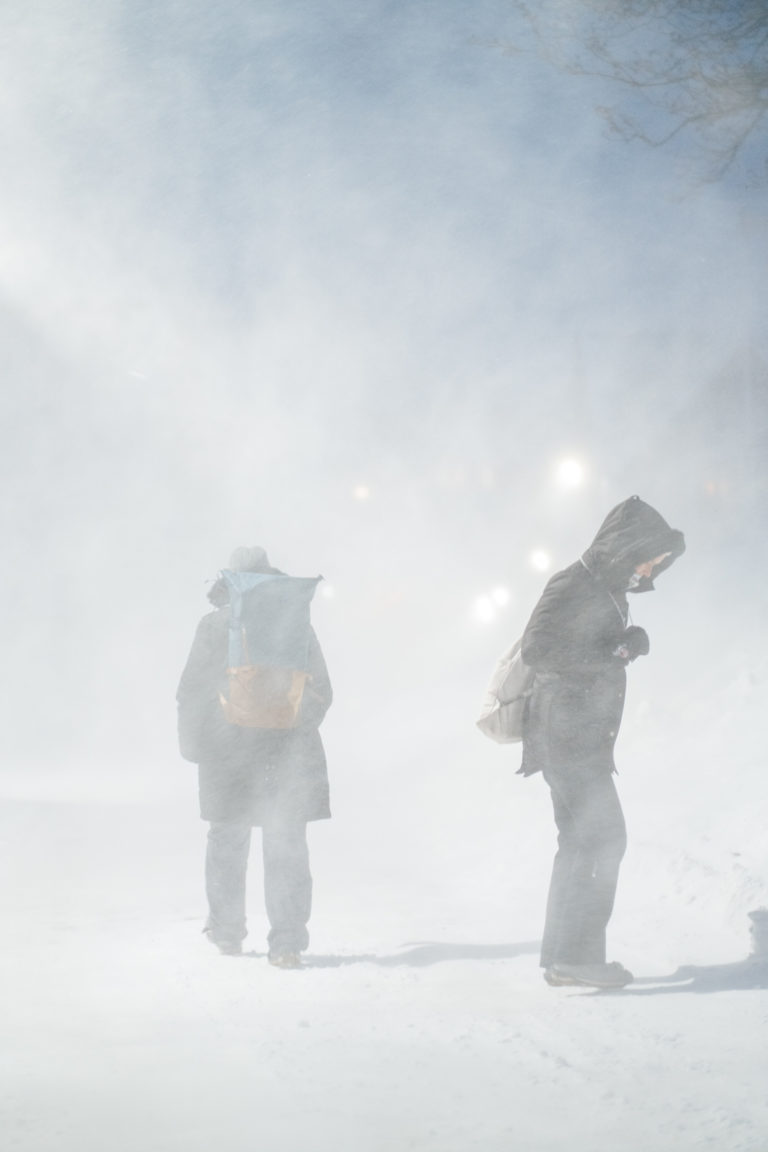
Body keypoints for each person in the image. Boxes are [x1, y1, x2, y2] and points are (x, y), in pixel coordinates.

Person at [520, 496, 685, 989]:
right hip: (566, 737)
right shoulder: (573, 582)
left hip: (579, 737)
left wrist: (627, 640)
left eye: (657, 562)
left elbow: (595, 649)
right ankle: (577, 958)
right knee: (604, 838)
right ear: (624, 547)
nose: (652, 567)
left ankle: (561, 959)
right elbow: (538, 648)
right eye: (648, 556)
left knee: (578, 843)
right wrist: (611, 652)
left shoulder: (611, 590)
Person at [176, 546, 332, 968]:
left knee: (227, 839)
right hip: (286, 753)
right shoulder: (296, 627)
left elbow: (191, 690)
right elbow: (323, 691)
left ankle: (226, 934)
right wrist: (293, 725)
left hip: (227, 754)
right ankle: (287, 944)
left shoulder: (214, 626)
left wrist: (194, 745)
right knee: (286, 844)